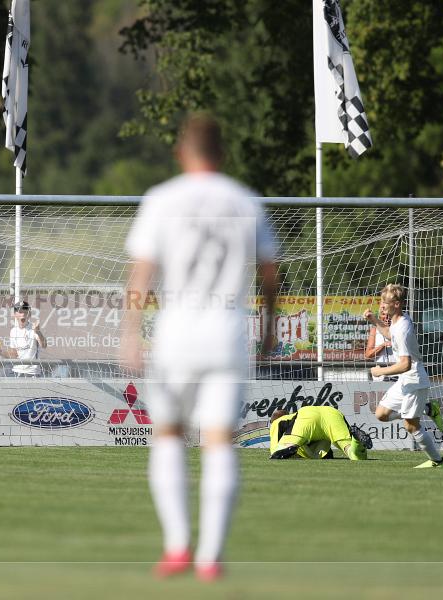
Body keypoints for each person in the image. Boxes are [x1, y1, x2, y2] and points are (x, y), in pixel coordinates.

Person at [121, 114, 279, 581]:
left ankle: (176, 547)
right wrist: (269, 327)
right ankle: (211, 556)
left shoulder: (162, 199)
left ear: (180, 154)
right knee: (219, 444)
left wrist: (130, 330)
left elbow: (142, 274)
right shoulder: (245, 199)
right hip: (227, 331)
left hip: (176, 331)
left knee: (168, 434)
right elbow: (270, 272)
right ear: (223, 154)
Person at [364, 283, 443, 468]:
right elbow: (389, 335)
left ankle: (437, 461)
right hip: (405, 380)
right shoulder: (396, 321)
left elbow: (405, 364)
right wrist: (374, 319)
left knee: (411, 426)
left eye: (386, 302)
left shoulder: (403, 329)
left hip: (415, 380)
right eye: (381, 301)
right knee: (381, 414)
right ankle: (427, 409)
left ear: (398, 304)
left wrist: (380, 371)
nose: (382, 305)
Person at [268, 406, 368, 460]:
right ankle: (356, 440)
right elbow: (327, 454)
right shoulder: (292, 417)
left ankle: (291, 445)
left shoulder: (277, 421)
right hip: (332, 413)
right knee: (352, 453)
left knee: (285, 448)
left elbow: (274, 452)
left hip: (306, 417)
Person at [0, 300, 46, 376]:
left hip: (32, 372)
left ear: (29, 314)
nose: (23, 314)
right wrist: (0, 351)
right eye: (20, 312)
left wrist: (38, 332)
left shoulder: (33, 328)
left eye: (25, 312)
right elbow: (14, 354)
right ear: (15, 315)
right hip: (17, 371)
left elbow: (44, 345)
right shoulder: (13, 331)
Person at [364, 306, 395, 381]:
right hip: (380, 376)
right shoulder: (374, 330)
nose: (387, 318)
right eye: (384, 315)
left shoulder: (399, 328)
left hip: (398, 373)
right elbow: (367, 355)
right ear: (379, 316)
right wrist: (382, 345)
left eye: (389, 315)